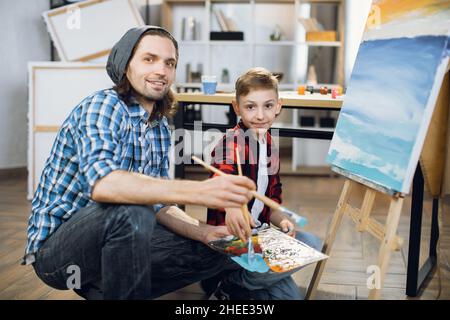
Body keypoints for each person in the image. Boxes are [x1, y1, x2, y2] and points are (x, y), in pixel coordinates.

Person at [22, 26, 256, 300]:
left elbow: (159, 205)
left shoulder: (158, 127)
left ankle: (104, 287)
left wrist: (203, 232)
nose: (162, 70)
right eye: (149, 59)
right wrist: (200, 191)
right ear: (125, 65)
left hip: (116, 239)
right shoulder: (102, 107)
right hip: (57, 252)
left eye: (169, 63)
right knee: (129, 209)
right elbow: (105, 185)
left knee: (221, 249)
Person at [204, 67, 322, 300]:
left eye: (267, 106)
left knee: (311, 244)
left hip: (261, 235)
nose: (260, 115)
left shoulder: (269, 144)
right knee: (277, 276)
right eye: (250, 107)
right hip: (232, 241)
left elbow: (272, 199)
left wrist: (283, 221)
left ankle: (245, 285)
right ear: (237, 108)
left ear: (278, 106)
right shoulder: (231, 144)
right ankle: (228, 283)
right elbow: (221, 182)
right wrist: (232, 207)